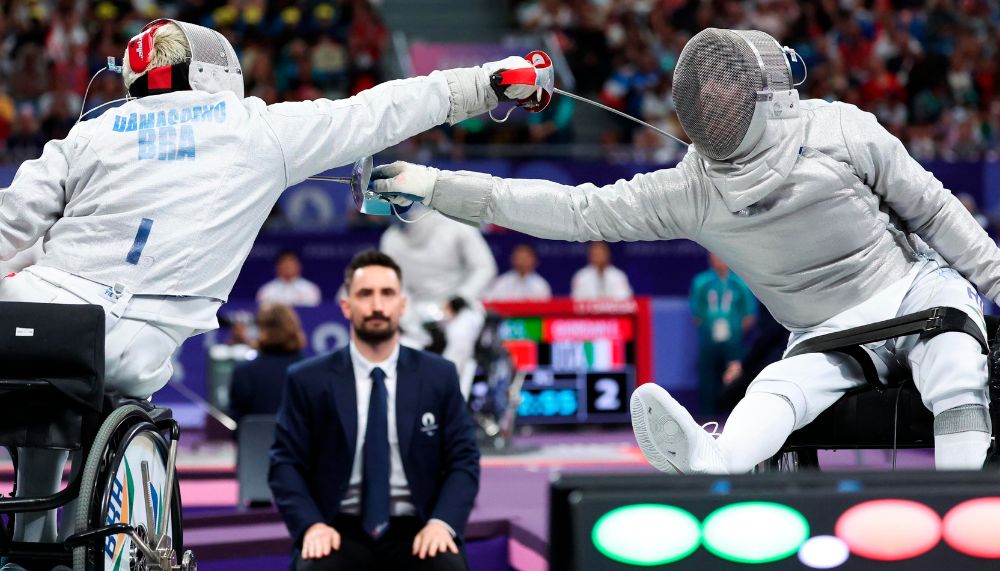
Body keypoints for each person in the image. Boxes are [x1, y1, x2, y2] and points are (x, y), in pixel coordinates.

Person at [0, 17, 535, 571]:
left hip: (34, 316)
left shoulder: (92, 131)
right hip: (130, 338)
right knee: (89, 374)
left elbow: (11, 221)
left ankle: (28, 553)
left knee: (41, 374)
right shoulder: (256, 127)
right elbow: (385, 108)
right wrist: (493, 82)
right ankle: (39, 557)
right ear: (217, 69)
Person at [370, 28, 1000, 475]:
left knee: (952, 365)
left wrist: (435, 185)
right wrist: (437, 186)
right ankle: (713, 456)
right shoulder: (699, 184)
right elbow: (571, 210)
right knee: (778, 390)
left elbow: (936, 213)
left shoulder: (833, 135)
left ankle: (955, 504)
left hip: (917, 293)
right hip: (828, 333)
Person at [269, 250, 479, 571]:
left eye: (387, 294)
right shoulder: (307, 379)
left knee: (447, 570)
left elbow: (464, 460)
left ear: (402, 304)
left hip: (418, 524)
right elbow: (285, 464)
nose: (377, 305)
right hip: (338, 526)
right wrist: (311, 526)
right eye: (365, 294)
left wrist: (442, 523)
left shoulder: (439, 376)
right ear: (346, 306)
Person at [380, 207, 497, 392]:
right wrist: (409, 319)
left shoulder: (456, 226)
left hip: (459, 307)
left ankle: (448, 397)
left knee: (460, 338)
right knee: (402, 349)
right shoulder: (390, 240)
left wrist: (461, 298)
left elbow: (484, 267)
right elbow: (396, 286)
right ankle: (410, 407)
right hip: (418, 310)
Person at [689, 253, 757, 416]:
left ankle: (736, 414)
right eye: (714, 256)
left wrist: (736, 332)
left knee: (735, 374)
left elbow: (749, 314)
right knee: (707, 375)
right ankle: (707, 415)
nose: (718, 260)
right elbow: (696, 313)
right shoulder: (701, 282)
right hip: (709, 337)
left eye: (721, 256)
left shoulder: (740, 282)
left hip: (733, 338)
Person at [228, 303, 307, 423]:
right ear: (294, 328)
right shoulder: (310, 371)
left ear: (261, 330)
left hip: (254, 441)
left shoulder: (243, 372)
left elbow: (235, 422)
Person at [485, 243, 552, 301]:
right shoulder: (502, 281)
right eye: (519, 257)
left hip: (532, 316)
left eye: (525, 257)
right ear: (512, 258)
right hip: (507, 315)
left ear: (534, 260)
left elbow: (545, 309)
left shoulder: (541, 284)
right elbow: (493, 304)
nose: (522, 261)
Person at [256, 250, 322, 307]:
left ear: (299, 266)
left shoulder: (310, 289)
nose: (288, 265)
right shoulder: (266, 291)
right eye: (284, 262)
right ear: (277, 267)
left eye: (291, 262)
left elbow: (313, 314)